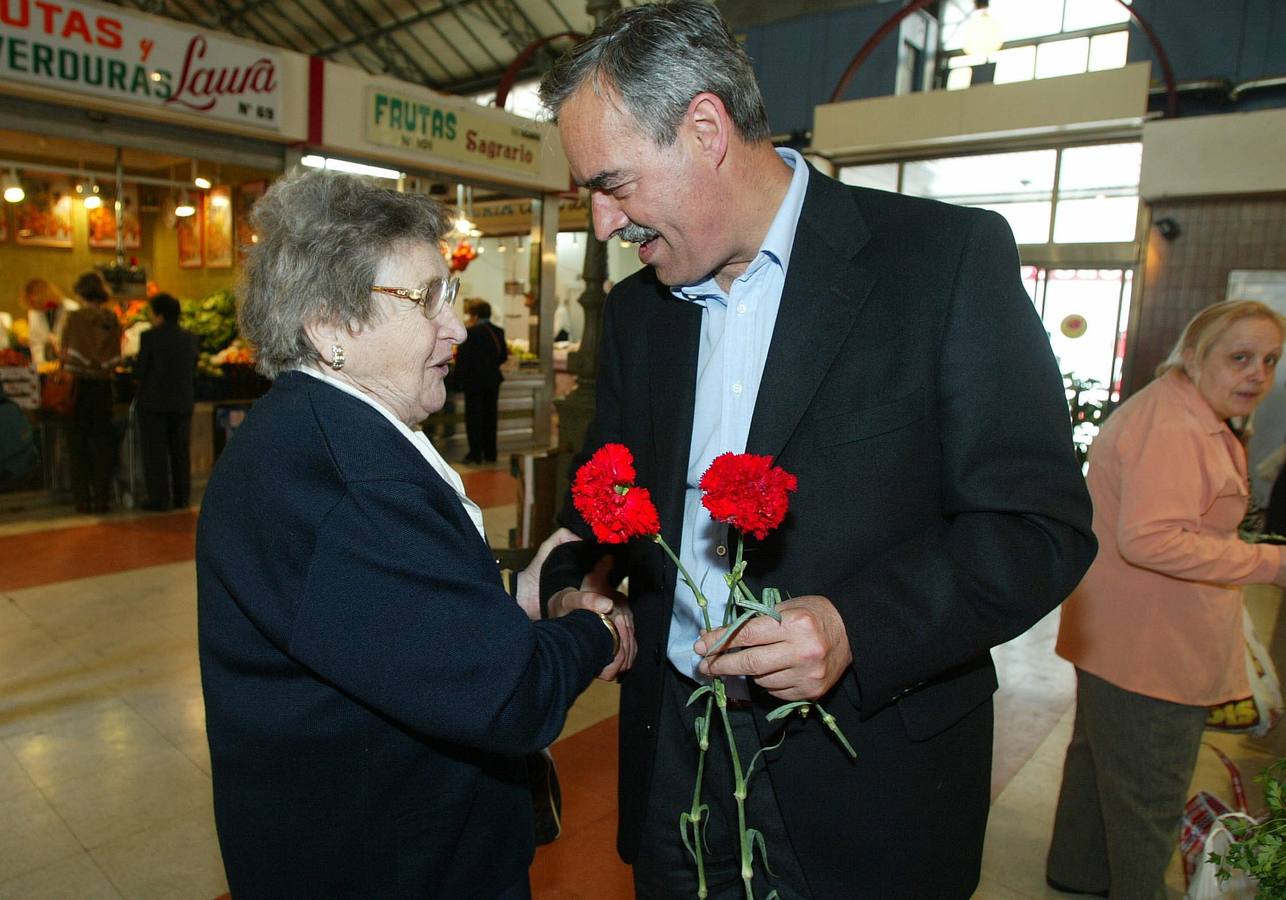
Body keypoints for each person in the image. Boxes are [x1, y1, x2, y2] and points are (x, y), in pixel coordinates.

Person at [534, 3, 1097, 898]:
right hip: (677, 759)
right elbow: (607, 487)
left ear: (707, 129)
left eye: (614, 184)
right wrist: (577, 576)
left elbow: (1038, 528)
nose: (603, 225)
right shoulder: (644, 312)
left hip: (873, 777)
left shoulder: (940, 262)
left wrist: (854, 627)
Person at [195, 168, 635, 898]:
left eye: (449, 295)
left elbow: (389, 625)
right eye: (427, 298)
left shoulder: (313, 433)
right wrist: (602, 632)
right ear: (331, 327)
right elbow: (509, 695)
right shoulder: (342, 478)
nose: (456, 326)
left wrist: (519, 595)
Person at [1047, 300, 1286, 899]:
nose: (1257, 374)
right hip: (1151, 650)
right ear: (1195, 355)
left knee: (1100, 768)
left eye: (1270, 360)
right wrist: (1271, 563)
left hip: (1122, 636)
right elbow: (1152, 539)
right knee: (1148, 798)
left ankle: (1076, 874)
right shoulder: (1176, 426)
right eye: (1240, 358)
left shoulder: (1185, 410)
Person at [60, 272, 121, 514]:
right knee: (102, 445)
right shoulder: (111, 318)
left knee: (78, 445)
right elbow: (116, 354)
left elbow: (66, 353)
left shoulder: (75, 318)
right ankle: (102, 498)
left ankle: (82, 500)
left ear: (80, 291)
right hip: (104, 387)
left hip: (79, 387)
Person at [134, 292, 198, 511]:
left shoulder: (149, 337)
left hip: (154, 402)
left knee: (156, 454)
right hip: (182, 401)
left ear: (158, 313)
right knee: (180, 452)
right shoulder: (190, 337)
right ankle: (182, 497)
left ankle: (159, 499)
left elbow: (141, 370)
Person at [455, 298, 508, 464]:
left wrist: (458, 380)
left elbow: (462, 360)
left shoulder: (470, 333)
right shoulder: (498, 331)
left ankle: (475, 454)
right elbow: (503, 355)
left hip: (475, 382)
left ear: (475, 315)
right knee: (490, 416)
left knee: (474, 417)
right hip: (493, 380)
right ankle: (491, 453)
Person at [20, 278, 77, 368]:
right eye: (33, 304)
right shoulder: (34, 312)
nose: (37, 307)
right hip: (44, 364)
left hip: (69, 363)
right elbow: (35, 342)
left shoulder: (71, 310)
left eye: (38, 302)